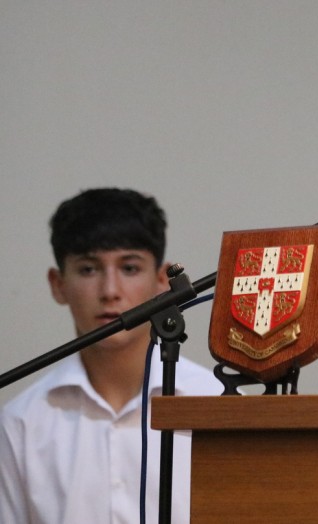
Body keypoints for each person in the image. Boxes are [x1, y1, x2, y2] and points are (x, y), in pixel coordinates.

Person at [0, 188, 222, 524]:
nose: (110, 291)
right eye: (88, 270)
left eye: (130, 268)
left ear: (161, 280)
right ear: (58, 284)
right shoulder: (21, 423)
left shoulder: (217, 403)